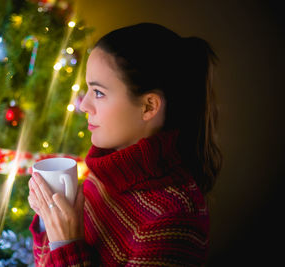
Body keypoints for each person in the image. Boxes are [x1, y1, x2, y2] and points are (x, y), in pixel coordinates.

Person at [27, 22, 223, 266]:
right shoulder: (105, 172)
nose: (83, 105)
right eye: (88, 89)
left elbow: (65, 251)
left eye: (98, 92)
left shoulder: (174, 222)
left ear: (148, 106)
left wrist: (66, 243)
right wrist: (50, 220)